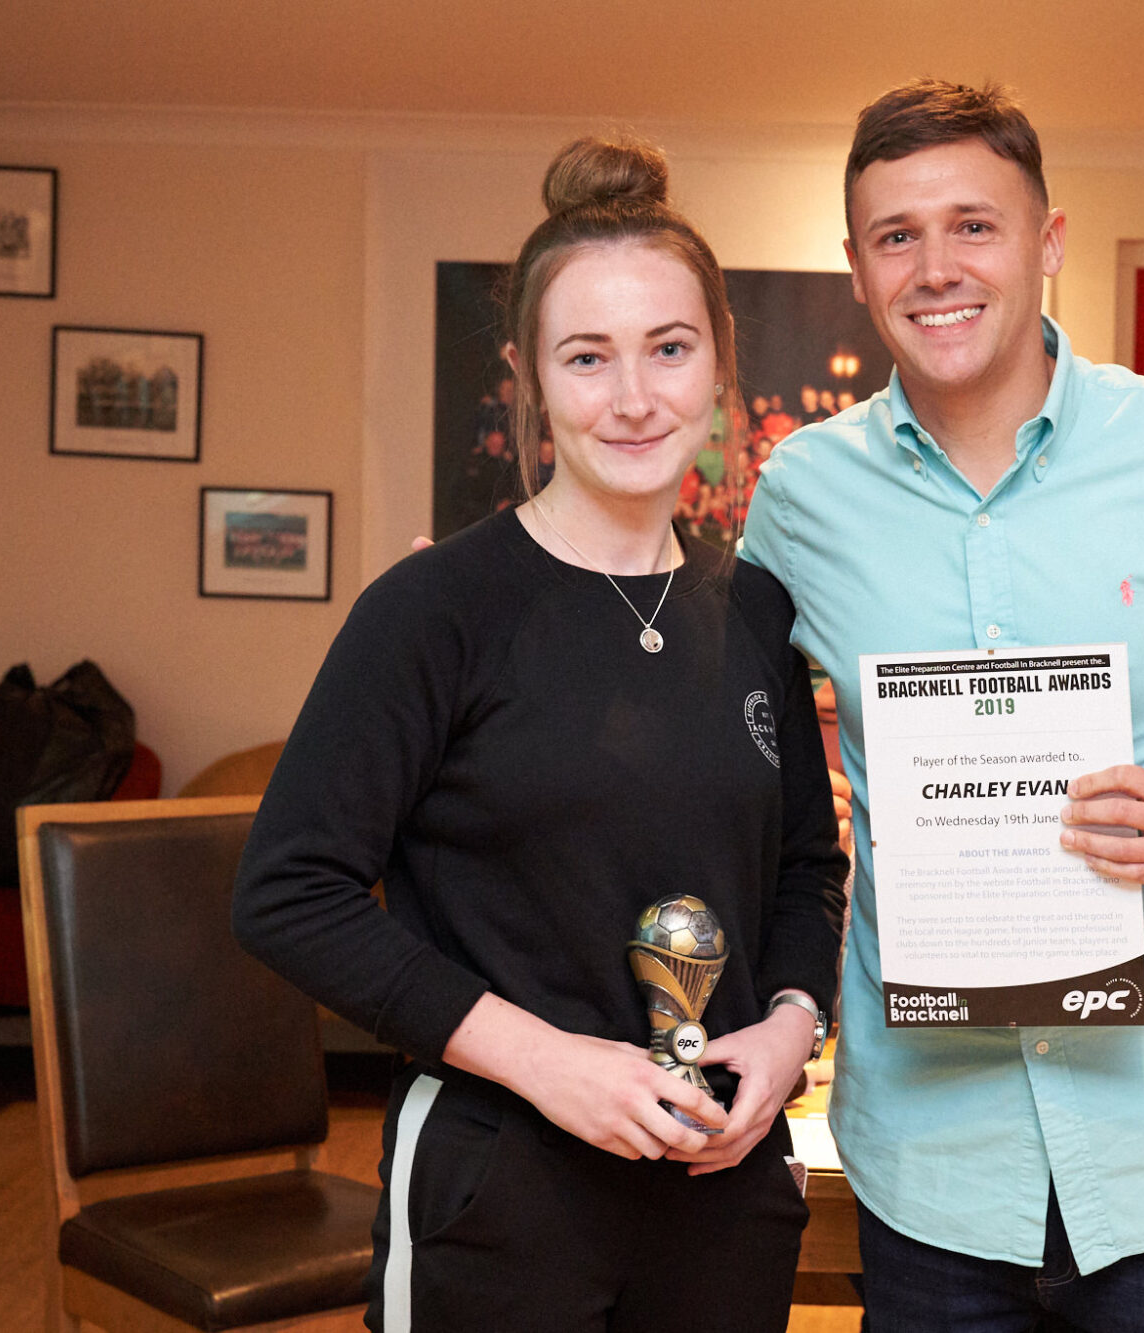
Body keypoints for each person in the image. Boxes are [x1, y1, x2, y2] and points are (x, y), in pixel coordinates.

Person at [739, 79, 1144, 1332]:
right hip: (936, 1144)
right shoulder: (802, 496)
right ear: (857, 269)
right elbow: (749, 737)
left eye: (973, 225)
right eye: (896, 236)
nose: (936, 268)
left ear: (1046, 244)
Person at [233, 137, 848, 1333]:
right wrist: (545, 1061)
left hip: (720, 1186)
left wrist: (787, 1026)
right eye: (587, 357)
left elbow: (805, 872)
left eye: (668, 349)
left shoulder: (758, 611)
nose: (632, 398)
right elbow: (286, 891)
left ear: (716, 361)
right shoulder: (432, 611)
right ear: (528, 375)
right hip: (495, 1187)